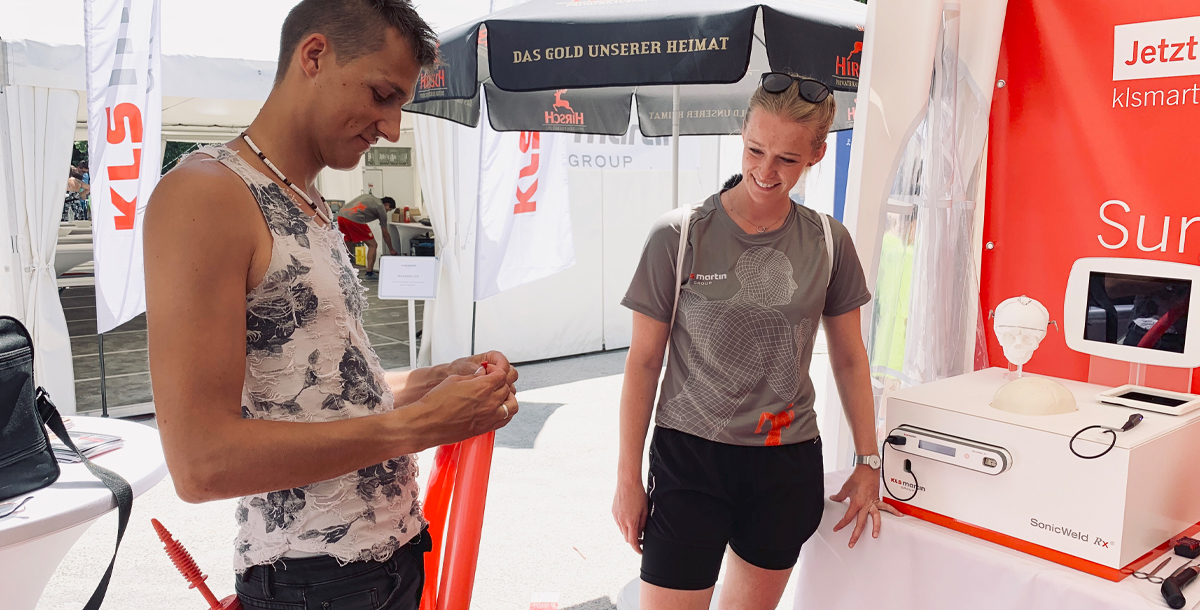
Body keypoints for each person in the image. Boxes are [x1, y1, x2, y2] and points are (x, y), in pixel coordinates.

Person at [143, 2, 520, 609]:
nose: (392, 127)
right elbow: (201, 462)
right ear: (314, 56)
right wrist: (418, 426)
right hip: (312, 579)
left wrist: (434, 385)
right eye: (382, 94)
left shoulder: (310, 201)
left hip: (388, 559)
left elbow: (318, 393)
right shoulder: (207, 194)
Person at [613, 72, 896, 610]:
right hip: (689, 458)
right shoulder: (679, 235)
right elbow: (644, 362)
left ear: (816, 154)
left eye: (787, 159)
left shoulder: (829, 242)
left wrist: (868, 460)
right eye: (755, 150)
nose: (766, 172)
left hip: (783, 466)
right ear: (741, 133)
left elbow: (849, 358)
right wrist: (628, 477)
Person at [338, 192, 399, 278]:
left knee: (348, 243)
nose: (387, 212)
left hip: (341, 216)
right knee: (373, 245)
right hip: (355, 219)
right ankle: (369, 273)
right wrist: (391, 249)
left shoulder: (368, 196)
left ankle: (344, 271)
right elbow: (385, 233)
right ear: (387, 204)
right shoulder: (381, 207)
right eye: (389, 209)